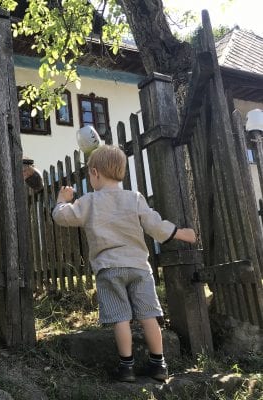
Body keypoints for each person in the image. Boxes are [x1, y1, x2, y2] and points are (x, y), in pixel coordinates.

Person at [51, 144, 196, 383]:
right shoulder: (134, 198)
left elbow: (63, 216)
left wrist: (61, 199)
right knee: (149, 315)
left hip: (109, 268)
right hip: (139, 266)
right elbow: (155, 225)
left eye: (89, 175)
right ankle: (159, 364)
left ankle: (126, 367)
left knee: (120, 317)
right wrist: (181, 233)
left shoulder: (89, 201)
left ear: (95, 173)